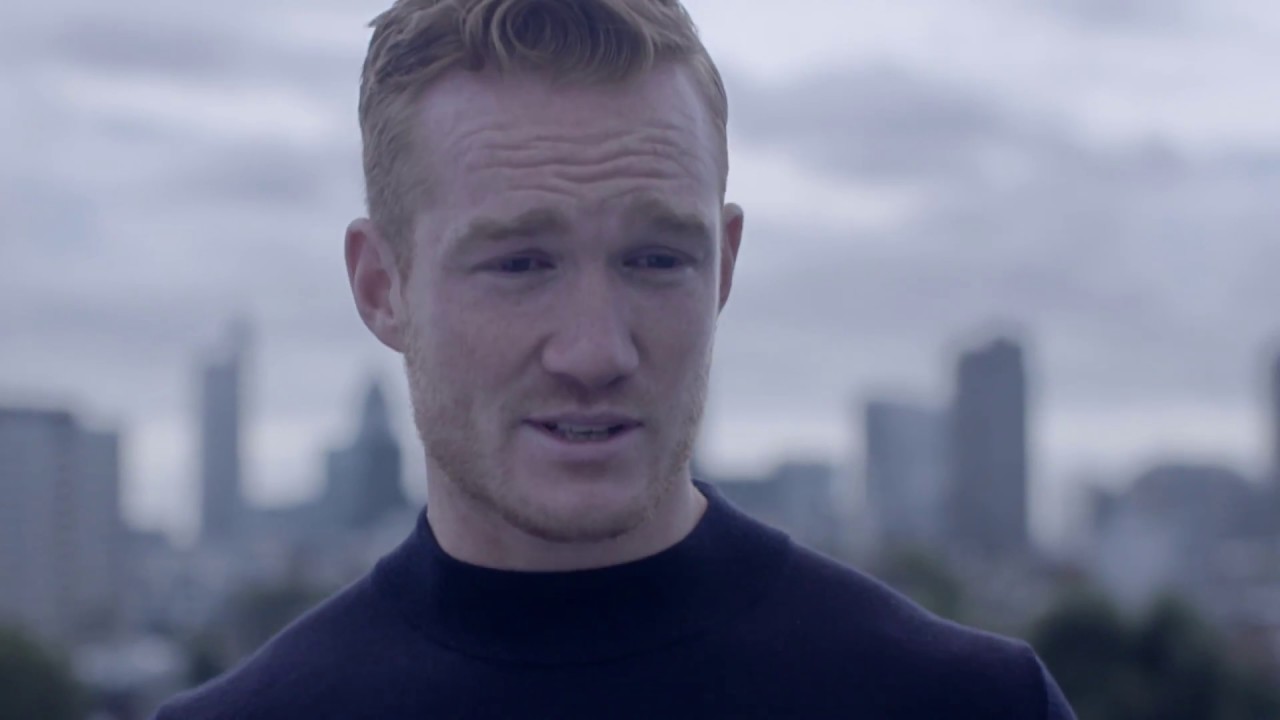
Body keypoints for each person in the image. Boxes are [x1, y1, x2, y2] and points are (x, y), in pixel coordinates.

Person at [154, 0, 1076, 717]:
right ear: (380, 287)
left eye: (656, 259)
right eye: (520, 264)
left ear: (724, 268)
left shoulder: (970, 705)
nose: (595, 351)